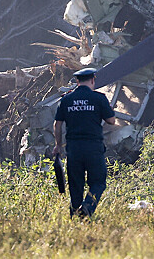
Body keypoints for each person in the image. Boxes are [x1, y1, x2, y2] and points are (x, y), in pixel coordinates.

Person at [53, 68, 116, 217]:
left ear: (77, 81)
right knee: (98, 182)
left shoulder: (66, 99)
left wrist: (58, 145)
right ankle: (87, 207)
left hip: (73, 149)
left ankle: (75, 214)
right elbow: (111, 121)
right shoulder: (99, 98)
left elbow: (57, 124)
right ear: (93, 80)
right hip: (93, 148)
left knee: (75, 185)